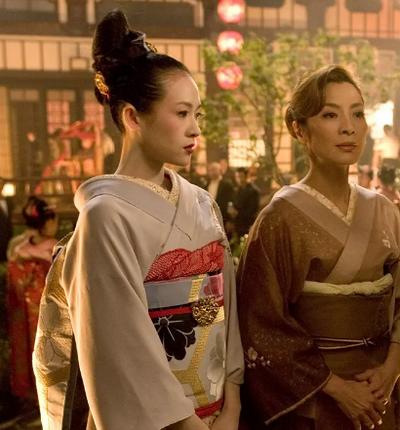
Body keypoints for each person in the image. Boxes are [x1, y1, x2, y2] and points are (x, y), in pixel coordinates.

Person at [32, 10, 243, 429]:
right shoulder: (104, 216)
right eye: (181, 114)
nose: (195, 130)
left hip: (220, 409)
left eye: (197, 115)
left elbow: (228, 311)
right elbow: (120, 348)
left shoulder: (202, 203)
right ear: (132, 117)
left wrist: (233, 400)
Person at [236, 65, 400, 429]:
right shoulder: (280, 217)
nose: (348, 127)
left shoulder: (383, 209)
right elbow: (262, 322)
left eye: (357, 113)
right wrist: (338, 388)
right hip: (316, 399)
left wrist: (389, 371)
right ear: (299, 129)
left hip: (379, 391)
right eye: (330, 115)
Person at [6, 197, 57, 407]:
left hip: (24, 310)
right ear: (47, 222)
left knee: (26, 349)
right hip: (47, 309)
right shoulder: (53, 247)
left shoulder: (17, 248)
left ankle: (28, 394)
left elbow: (14, 280)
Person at [231, 166, 260, 238]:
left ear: (246, 176)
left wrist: (237, 213)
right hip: (237, 224)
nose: (239, 179)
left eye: (241, 176)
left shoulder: (253, 191)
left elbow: (252, 210)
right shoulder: (237, 190)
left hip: (248, 224)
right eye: (237, 177)